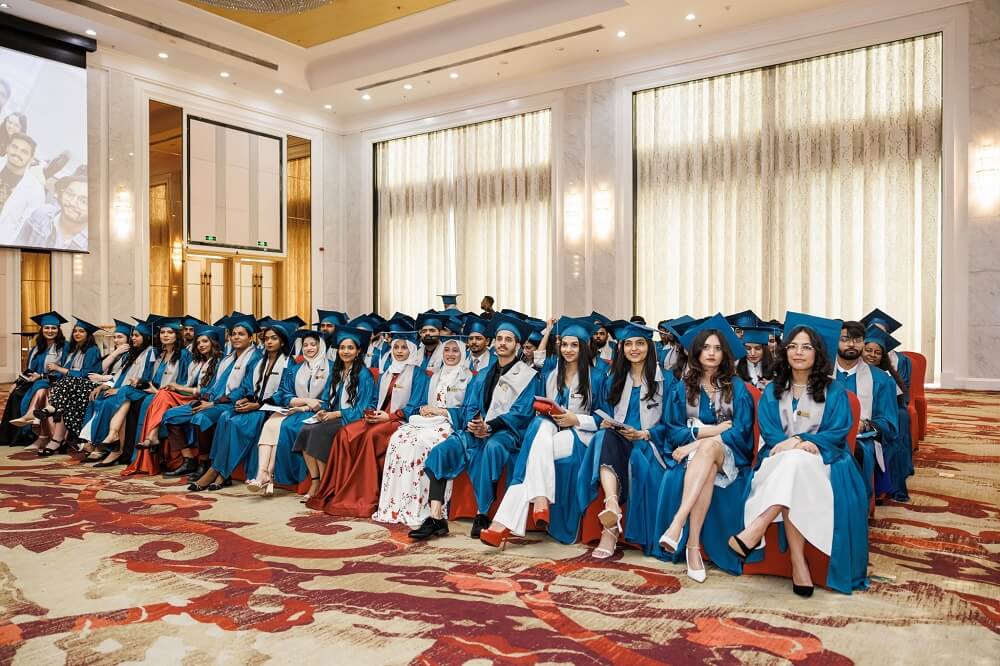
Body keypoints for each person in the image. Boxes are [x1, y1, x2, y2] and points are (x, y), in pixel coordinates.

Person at [730, 313, 869, 596]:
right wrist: (794, 445)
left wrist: (801, 441)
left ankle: (758, 528)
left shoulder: (835, 392)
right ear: (785, 351)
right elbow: (770, 433)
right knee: (794, 463)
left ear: (818, 353)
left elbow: (838, 431)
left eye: (806, 347)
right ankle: (798, 562)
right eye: (793, 346)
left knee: (797, 462)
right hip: (780, 460)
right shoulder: (773, 390)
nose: (798, 352)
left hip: (824, 461)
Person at [480, 316, 605, 548]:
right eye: (564, 344)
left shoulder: (596, 377)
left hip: (578, 435)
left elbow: (603, 418)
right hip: (549, 429)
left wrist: (575, 418)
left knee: (531, 456)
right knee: (538, 425)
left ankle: (504, 522)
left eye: (574, 345)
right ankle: (538, 498)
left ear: (584, 347)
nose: (568, 350)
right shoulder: (550, 371)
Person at [417, 312, 537, 540]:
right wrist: (474, 423)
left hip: (507, 434)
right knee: (442, 450)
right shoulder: (482, 375)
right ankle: (436, 518)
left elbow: (521, 413)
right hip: (477, 431)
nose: (503, 343)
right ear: (494, 343)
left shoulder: (528, 376)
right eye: (499, 339)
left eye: (508, 340)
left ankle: (482, 514)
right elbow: (470, 405)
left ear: (518, 345)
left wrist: (489, 427)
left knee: (491, 448)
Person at [654, 316, 755, 582]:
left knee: (709, 450)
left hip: (729, 454)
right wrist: (709, 433)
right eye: (706, 347)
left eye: (717, 348)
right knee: (707, 459)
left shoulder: (737, 388)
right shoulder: (682, 388)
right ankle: (693, 546)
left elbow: (742, 431)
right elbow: (671, 429)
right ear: (696, 352)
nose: (711, 353)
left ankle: (677, 524)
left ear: (724, 354)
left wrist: (696, 443)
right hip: (699, 457)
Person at [576, 321, 666, 559]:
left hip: (649, 442)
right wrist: (605, 421)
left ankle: (611, 528)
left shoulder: (664, 381)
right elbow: (600, 409)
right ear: (621, 348)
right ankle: (612, 506)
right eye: (628, 344)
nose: (634, 349)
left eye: (640, 343)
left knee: (635, 455)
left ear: (649, 347)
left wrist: (646, 433)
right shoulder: (614, 378)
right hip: (618, 437)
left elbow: (671, 423)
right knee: (605, 435)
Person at [308, 329, 412, 515]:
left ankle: (358, 493)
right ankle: (333, 486)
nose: (399, 351)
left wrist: (391, 415)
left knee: (357, 434)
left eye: (404, 347)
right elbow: (374, 401)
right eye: (395, 347)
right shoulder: (387, 371)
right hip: (377, 416)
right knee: (340, 432)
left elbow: (416, 404)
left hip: (398, 419)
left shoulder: (416, 374)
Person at [375, 338, 473, 530]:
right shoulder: (435, 376)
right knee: (399, 438)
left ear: (462, 354)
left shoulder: (469, 378)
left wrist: (442, 412)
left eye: (455, 351)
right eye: (447, 351)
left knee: (421, 442)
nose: (451, 354)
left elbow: (469, 410)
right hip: (430, 421)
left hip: (451, 424)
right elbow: (423, 402)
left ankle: (423, 505)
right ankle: (397, 504)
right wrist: (425, 410)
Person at [188, 321, 294, 491]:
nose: (269, 342)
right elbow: (246, 386)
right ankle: (221, 473)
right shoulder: (262, 361)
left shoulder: (289, 363)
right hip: (255, 404)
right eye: (266, 339)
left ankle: (217, 472)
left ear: (282, 342)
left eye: (274, 338)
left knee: (237, 423)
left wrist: (257, 405)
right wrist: (244, 399)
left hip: (271, 409)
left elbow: (283, 392)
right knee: (225, 416)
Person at [292, 325, 378, 503]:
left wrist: (336, 414)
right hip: (335, 415)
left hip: (353, 419)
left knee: (319, 432)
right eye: (342, 347)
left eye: (350, 348)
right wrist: (323, 410)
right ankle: (316, 481)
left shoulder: (364, 375)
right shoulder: (336, 371)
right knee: (306, 428)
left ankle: (325, 485)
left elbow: (363, 407)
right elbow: (326, 399)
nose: (345, 351)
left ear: (358, 351)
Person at [245, 329, 332, 496]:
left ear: (321, 346)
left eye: (313, 344)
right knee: (270, 423)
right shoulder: (297, 368)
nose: (309, 348)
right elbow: (285, 394)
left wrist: (305, 406)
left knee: (281, 427)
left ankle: (269, 475)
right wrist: (306, 401)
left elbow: (327, 401)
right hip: (296, 408)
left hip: (314, 413)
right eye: (305, 345)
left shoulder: (331, 368)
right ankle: (261, 473)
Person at [833, 320, 898, 500]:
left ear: (863, 343)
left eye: (857, 340)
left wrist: (865, 425)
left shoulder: (881, 380)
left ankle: (854, 505)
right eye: (845, 339)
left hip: (860, 441)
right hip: (822, 437)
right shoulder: (820, 375)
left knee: (856, 453)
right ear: (835, 341)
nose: (851, 344)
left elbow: (890, 425)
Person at [79, 321, 153, 464]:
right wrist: (103, 386)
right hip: (124, 389)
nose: (133, 339)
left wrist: (118, 389)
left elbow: (146, 378)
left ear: (145, 336)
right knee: (97, 398)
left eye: (137, 336)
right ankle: (94, 442)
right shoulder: (132, 354)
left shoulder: (150, 352)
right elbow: (118, 376)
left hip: (136, 391)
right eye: (133, 336)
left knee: (109, 402)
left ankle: (103, 446)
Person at [32, 317, 103, 456]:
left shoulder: (92, 350)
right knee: (63, 398)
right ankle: (57, 440)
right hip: (72, 386)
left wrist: (61, 370)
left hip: (87, 385)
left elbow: (87, 373)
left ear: (88, 334)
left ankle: (50, 411)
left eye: (81, 331)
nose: (77, 334)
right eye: (75, 331)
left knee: (66, 382)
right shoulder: (75, 349)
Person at [0, 311, 66, 446]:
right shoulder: (37, 348)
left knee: (37, 389)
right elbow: (30, 370)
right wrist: (17, 382)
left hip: (55, 382)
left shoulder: (64, 347)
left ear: (58, 330)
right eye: (46, 328)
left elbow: (66, 370)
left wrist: (42, 376)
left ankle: (32, 424)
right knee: (17, 393)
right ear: (41, 329)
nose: (50, 331)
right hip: (36, 381)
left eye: (54, 328)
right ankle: (18, 437)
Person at [863, 326, 912, 502]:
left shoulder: (885, 379)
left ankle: (887, 487)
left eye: (877, 352)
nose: (872, 354)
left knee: (892, 439)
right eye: (868, 350)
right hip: (863, 421)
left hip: (879, 421)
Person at [14, 174, 88, 251]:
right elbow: (20, 241)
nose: (72, 202)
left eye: (84, 201)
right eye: (70, 194)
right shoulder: (42, 214)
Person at [0, 132, 45, 244]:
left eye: (24, 152)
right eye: (14, 147)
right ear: (7, 148)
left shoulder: (36, 191)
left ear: (31, 158)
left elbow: (28, 228)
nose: (17, 153)